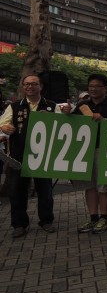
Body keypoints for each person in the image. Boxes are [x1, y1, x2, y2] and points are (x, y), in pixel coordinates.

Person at [0, 74, 70, 238]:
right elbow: (3, 123)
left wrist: (69, 112)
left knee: (45, 191)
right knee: (17, 191)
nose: (30, 87)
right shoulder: (15, 106)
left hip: (43, 157)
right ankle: (19, 224)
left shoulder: (52, 106)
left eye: (34, 84)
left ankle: (46, 221)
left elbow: (64, 126)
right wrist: (4, 127)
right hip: (19, 157)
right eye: (26, 84)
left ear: (41, 86)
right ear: (23, 87)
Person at [72, 74, 107, 234]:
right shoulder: (81, 106)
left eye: (98, 86)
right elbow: (71, 124)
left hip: (105, 149)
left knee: (104, 186)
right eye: (91, 86)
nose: (94, 89)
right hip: (85, 150)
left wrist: (106, 120)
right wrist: (66, 113)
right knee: (89, 185)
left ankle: (104, 218)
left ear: (105, 88)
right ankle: (93, 217)